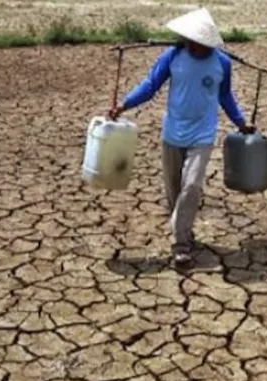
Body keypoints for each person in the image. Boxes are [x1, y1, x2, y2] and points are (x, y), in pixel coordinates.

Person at [109, 8, 254, 265]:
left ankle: (180, 243)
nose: (195, 47)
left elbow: (225, 96)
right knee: (174, 190)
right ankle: (185, 230)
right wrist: (124, 105)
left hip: (203, 133)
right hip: (172, 132)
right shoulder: (173, 56)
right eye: (191, 41)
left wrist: (240, 122)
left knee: (192, 186)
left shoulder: (222, 63)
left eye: (200, 43)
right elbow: (151, 85)